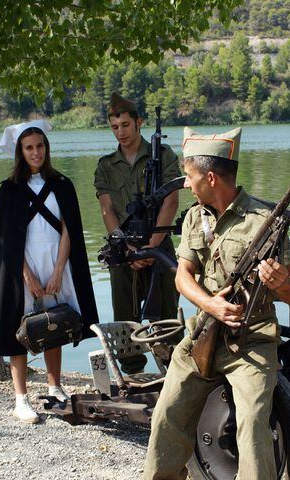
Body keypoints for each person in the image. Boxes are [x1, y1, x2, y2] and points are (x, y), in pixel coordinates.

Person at [128, 127, 290, 480]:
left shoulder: (266, 221)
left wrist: (281, 285)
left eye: (188, 175)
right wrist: (211, 305)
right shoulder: (193, 219)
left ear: (210, 177)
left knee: (251, 420)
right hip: (204, 331)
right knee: (168, 409)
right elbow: (183, 277)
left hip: (252, 340)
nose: (185, 183)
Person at [0, 120, 99, 424]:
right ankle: (20, 399)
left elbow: (68, 229)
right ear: (20, 151)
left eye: (40, 146)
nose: (36, 152)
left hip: (56, 263)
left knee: (55, 323)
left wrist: (59, 270)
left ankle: (54, 387)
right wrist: (27, 275)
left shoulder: (62, 184)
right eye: (29, 147)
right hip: (23, 268)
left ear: (47, 148)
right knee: (18, 329)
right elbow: (6, 239)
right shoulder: (9, 190)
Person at [94, 93, 181, 374]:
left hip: (160, 248)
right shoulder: (106, 165)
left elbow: (171, 200)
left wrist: (152, 246)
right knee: (124, 318)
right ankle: (133, 375)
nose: (120, 132)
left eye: (125, 125)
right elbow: (107, 210)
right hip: (124, 251)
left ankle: (174, 374)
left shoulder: (163, 156)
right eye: (114, 127)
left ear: (138, 123)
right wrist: (128, 249)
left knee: (167, 317)